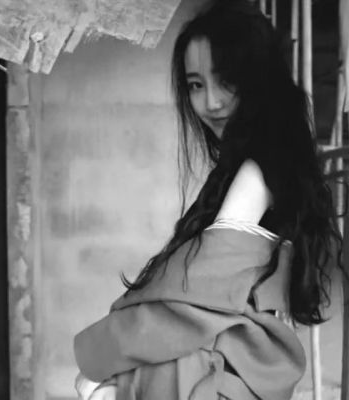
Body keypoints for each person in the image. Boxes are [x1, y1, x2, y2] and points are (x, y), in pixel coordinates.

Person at [73, 0, 346, 399]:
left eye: (226, 80)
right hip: (235, 362)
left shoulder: (258, 171)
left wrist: (105, 346)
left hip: (221, 370)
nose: (211, 102)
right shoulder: (270, 163)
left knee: (94, 385)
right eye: (196, 85)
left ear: (260, 79)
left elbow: (197, 290)